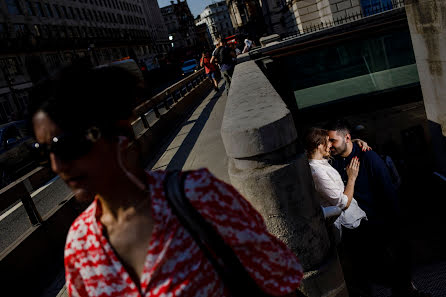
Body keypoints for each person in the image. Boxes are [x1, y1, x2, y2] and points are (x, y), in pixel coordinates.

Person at [29, 63, 304, 297]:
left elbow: (282, 280)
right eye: (44, 152)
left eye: (65, 145)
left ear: (116, 134)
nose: (57, 165)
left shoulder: (199, 196)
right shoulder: (79, 246)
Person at [325, 119, 430, 297]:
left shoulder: (368, 157)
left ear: (347, 138)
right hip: (353, 233)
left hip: (377, 229)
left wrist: (393, 229)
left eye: (333, 140)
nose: (329, 145)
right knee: (363, 280)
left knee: (395, 276)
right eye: (328, 141)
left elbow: (388, 193)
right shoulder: (332, 161)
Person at [304, 128, 367, 240]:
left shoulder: (321, 162)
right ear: (319, 145)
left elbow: (342, 147)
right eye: (328, 141)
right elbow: (342, 203)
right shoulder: (317, 172)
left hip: (353, 219)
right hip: (347, 225)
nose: (330, 145)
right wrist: (352, 178)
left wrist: (355, 141)